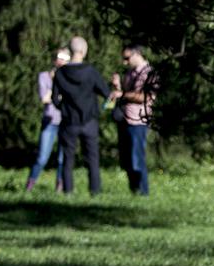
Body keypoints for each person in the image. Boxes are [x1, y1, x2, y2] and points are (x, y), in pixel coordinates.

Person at [52, 36, 111, 195]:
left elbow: (54, 99)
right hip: (89, 121)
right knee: (92, 158)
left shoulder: (60, 73)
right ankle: (95, 191)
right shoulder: (90, 72)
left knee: (68, 159)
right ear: (84, 51)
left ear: (70, 52)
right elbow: (106, 93)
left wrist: (63, 108)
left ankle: (68, 191)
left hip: (69, 121)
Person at [24, 48, 71, 192]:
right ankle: (30, 186)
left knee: (63, 159)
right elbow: (45, 98)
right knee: (42, 158)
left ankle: (60, 186)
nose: (61, 60)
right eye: (59, 57)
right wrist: (56, 84)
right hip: (49, 122)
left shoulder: (71, 78)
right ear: (54, 59)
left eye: (65, 58)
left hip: (65, 121)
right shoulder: (44, 76)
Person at [110, 44, 155, 195]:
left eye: (127, 58)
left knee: (137, 158)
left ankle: (143, 191)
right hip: (125, 119)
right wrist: (118, 86)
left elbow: (144, 96)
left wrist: (122, 94)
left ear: (137, 54)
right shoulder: (130, 72)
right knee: (127, 159)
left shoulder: (148, 73)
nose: (125, 62)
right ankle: (134, 190)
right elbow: (125, 93)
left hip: (138, 121)